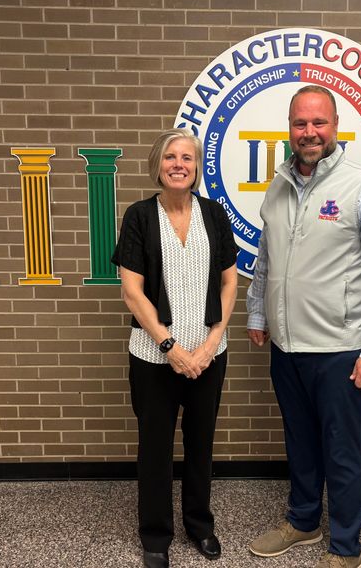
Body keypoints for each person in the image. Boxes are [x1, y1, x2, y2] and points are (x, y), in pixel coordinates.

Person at [246, 85, 361, 568]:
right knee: (300, 442)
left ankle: (345, 548)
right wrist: (258, 312)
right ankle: (302, 520)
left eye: (319, 123)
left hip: (342, 350)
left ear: (335, 127)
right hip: (288, 349)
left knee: (344, 453)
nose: (309, 132)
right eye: (301, 124)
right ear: (290, 129)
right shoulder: (277, 187)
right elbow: (266, 258)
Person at [112, 128, 238, 568]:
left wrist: (211, 343)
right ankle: (155, 535)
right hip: (153, 358)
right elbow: (132, 291)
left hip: (208, 356)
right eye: (170, 157)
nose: (178, 164)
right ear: (158, 165)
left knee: (201, 444)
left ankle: (200, 526)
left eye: (187, 157)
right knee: (156, 446)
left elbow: (228, 281)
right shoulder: (139, 216)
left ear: (197, 167)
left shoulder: (215, 215)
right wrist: (170, 347)